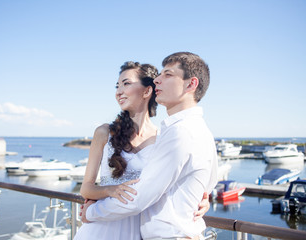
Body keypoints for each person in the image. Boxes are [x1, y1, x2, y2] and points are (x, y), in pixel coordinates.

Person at [82, 52, 218, 240]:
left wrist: (201, 200)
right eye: (117, 85)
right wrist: (108, 191)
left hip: (139, 226)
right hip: (108, 225)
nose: (119, 91)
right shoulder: (105, 132)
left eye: (126, 83)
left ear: (147, 92)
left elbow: (140, 199)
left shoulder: (171, 134)